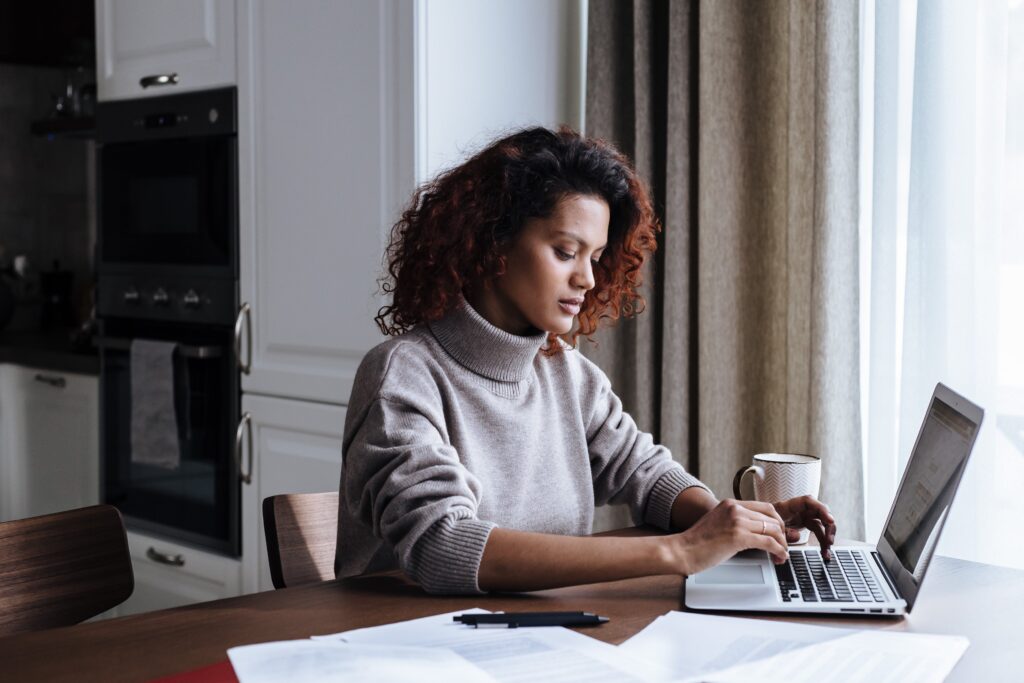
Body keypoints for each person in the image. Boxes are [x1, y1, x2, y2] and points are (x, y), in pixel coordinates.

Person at [335, 127, 836, 594]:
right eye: (565, 251)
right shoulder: (403, 374)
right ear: (492, 242)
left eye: (594, 258)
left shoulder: (567, 374)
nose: (588, 280)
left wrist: (734, 524)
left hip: (539, 639)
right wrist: (679, 551)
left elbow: (642, 470)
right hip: (412, 648)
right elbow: (443, 544)